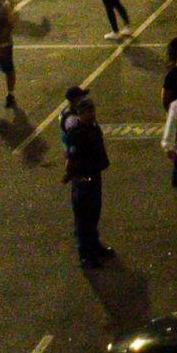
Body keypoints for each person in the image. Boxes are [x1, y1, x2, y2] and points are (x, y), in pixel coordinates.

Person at [61, 87, 114, 267]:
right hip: (82, 180)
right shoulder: (75, 132)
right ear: (80, 113)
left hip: (94, 175)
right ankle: (85, 255)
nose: (92, 115)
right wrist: (68, 174)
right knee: (84, 219)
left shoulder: (91, 126)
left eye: (93, 111)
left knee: (94, 214)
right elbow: (71, 157)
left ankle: (94, 245)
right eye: (88, 112)